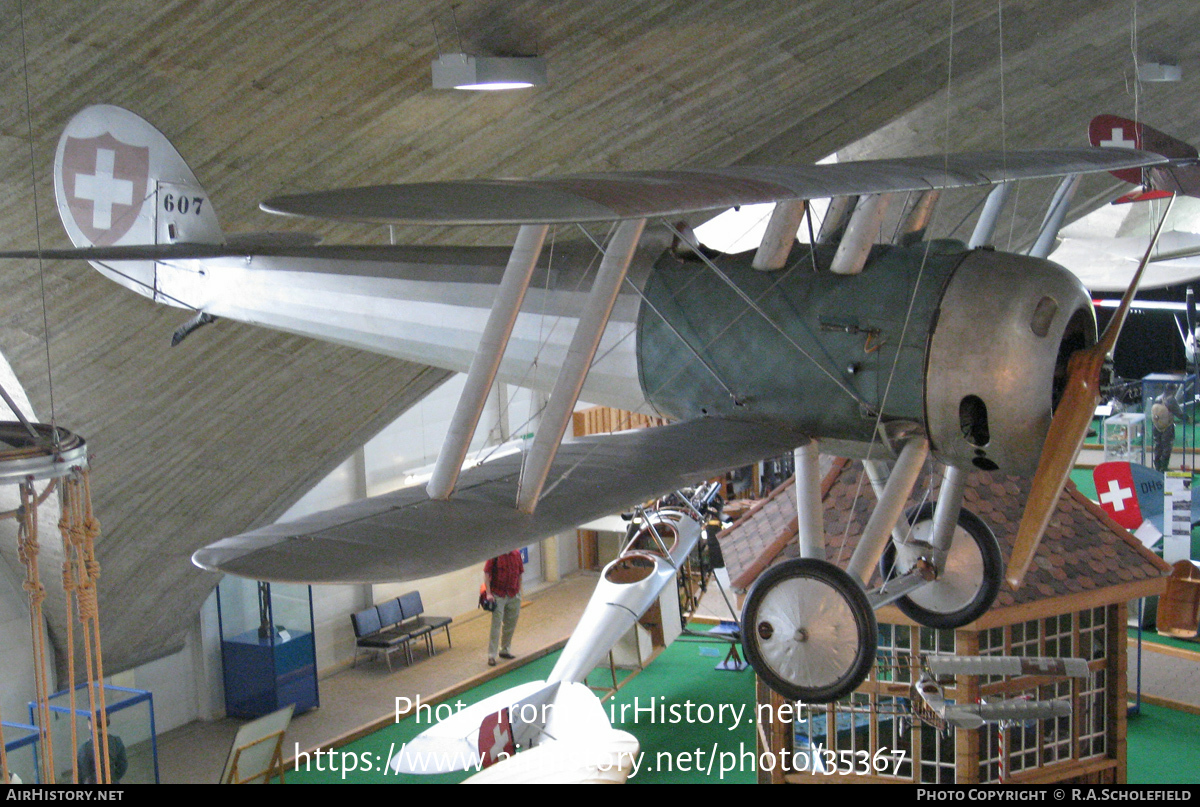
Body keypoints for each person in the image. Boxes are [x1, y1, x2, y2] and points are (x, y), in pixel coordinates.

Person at [483, 549, 523, 667]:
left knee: (511, 623)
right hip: (498, 595)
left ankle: (505, 650)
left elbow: (520, 573)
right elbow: (486, 573)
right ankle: (491, 655)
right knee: (496, 625)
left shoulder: (516, 554)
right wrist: (489, 593)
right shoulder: (494, 556)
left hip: (513, 594)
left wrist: (519, 591)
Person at [77, 712, 128, 784]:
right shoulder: (116, 741)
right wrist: (113, 777)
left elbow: (80, 774)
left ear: (90, 724)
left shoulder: (84, 748)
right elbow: (123, 766)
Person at [1151, 384, 1186, 473]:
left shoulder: (1158, 398)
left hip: (1156, 425)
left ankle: (1157, 466)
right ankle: (1164, 467)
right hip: (1167, 427)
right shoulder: (1171, 400)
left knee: (1158, 445)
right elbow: (1179, 414)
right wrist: (1188, 418)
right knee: (1167, 447)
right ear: (1173, 390)